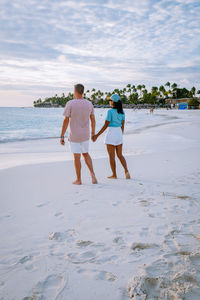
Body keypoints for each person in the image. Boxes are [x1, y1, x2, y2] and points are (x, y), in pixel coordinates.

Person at [60, 84, 98, 185]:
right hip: (85, 134)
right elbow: (93, 120)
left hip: (74, 135)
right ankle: (93, 175)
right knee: (86, 154)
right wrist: (93, 133)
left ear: (75, 91)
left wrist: (62, 136)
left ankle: (79, 179)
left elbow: (66, 120)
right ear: (82, 92)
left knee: (77, 157)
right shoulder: (89, 104)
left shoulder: (70, 103)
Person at [92, 93, 130, 179]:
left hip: (111, 133)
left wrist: (97, 135)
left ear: (113, 102)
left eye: (110, 100)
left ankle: (114, 174)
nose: (109, 102)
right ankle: (126, 171)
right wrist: (120, 135)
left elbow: (106, 125)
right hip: (119, 133)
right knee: (120, 155)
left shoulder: (110, 111)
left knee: (111, 156)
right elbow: (123, 125)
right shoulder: (122, 112)